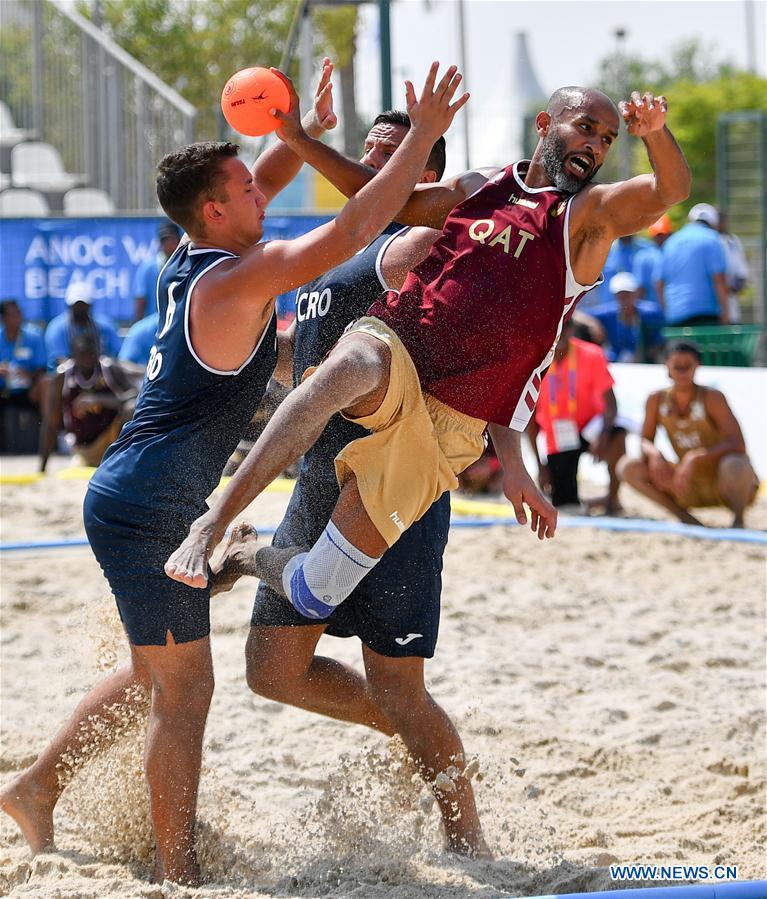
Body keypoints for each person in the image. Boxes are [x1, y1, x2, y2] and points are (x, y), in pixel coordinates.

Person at [0, 61, 466, 885]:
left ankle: (36, 788)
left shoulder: (197, 251)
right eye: (248, 190)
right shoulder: (241, 277)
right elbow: (354, 227)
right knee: (183, 694)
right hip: (150, 507)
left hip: (138, 493)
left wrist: (293, 133)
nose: (265, 193)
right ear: (215, 210)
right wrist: (422, 136)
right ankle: (177, 871)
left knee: (152, 674)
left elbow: (264, 179)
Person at [166, 88, 690, 629]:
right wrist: (298, 139)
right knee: (341, 372)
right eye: (585, 128)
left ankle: (244, 554)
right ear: (544, 124)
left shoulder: (588, 216)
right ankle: (211, 523)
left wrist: (655, 135)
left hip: (452, 422)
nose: (596, 145)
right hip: (398, 351)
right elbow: (378, 196)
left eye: (607, 139)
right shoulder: (481, 187)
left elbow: (670, 190)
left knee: (317, 590)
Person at [215, 110, 488, 856]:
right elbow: (303, 358)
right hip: (317, 475)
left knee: (400, 686)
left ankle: (469, 840)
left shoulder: (423, 242)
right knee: (272, 671)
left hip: (390, 482)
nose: (364, 167)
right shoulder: (338, 248)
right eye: (364, 151)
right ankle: (414, 738)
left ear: (424, 176)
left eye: (387, 156)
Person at [618, 340, 759, 527]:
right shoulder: (656, 399)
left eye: (687, 366)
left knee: (735, 463)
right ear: (667, 366)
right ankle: (684, 517)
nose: (682, 372)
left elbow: (738, 444)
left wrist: (695, 457)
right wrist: (654, 454)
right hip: (685, 482)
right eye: (677, 366)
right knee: (628, 466)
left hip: (721, 481)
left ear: (697, 366)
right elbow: (645, 439)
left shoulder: (712, 397)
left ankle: (738, 520)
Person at [527, 318, 627, 514]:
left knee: (618, 435)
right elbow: (529, 419)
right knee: (564, 502)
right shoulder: (534, 361)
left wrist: (603, 435)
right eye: (555, 327)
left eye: (565, 327)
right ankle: (593, 502)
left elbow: (611, 405)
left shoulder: (592, 354)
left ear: (572, 329)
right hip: (559, 438)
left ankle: (613, 500)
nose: (560, 333)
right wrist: (539, 466)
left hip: (592, 429)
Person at [39, 334, 140, 472]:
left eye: (90, 354)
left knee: (132, 408)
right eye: (82, 354)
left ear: (97, 353)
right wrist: (42, 469)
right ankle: (91, 459)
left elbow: (136, 395)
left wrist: (98, 400)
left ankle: (127, 463)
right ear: (73, 355)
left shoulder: (109, 368)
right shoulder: (62, 376)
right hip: (83, 448)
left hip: (112, 441)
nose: (87, 359)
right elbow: (51, 422)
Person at [658, 203, 729, 326]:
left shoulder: (671, 242)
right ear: (713, 223)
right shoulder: (713, 239)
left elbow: (659, 283)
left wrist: (667, 312)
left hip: (675, 315)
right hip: (706, 315)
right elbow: (719, 280)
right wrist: (726, 313)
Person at [0, 299, 47, 453]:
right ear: (3, 318)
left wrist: (29, 375)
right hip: (3, 390)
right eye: (12, 315)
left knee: (45, 383)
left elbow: (42, 368)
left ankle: (49, 438)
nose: (17, 318)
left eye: (19, 313)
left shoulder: (34, 336)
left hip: (28, 390)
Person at [44, 281, 122, 372]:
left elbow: (116, 356)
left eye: (83, 305)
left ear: (90, 306)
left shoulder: (105, 326)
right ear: (69, 306)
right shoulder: (56, 328)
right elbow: (58, 359)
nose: (79, 309)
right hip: (68, 375)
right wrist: (83, 366)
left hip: (102, 373)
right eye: (76, 306)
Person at [590, 271, 665, 363]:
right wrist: (593, 324)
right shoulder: (607, 314)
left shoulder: (651, 313)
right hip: (615, 363)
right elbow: (579, 315)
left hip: (644, 364)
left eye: (628, 294)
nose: (624, 298)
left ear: (635, 293)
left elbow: (659, 342)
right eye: (621, 295)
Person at [132, 221, 182, 322]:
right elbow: (140, 300)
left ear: (179, 241)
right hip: (155, 323)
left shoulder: (186, 265)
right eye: (165, 240)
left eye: (172, 240)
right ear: (160, 243)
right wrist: (138, 325)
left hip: (179, 323)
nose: (169, 244)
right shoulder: (148, 268)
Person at [631, 212, 672, 309]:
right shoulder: (643, 257)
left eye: (662, 234)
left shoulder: (673, 252)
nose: (660, 238)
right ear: (652, 236)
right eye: (657, 235)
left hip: (673, 308)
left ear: (669, 234)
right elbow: (640, 288)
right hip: (652, 310)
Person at [718, 210, 750, 325]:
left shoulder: (732, 241)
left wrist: (731, 289)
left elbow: (742, 272)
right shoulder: (708, 240)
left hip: (731, 307)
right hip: (711, 309)